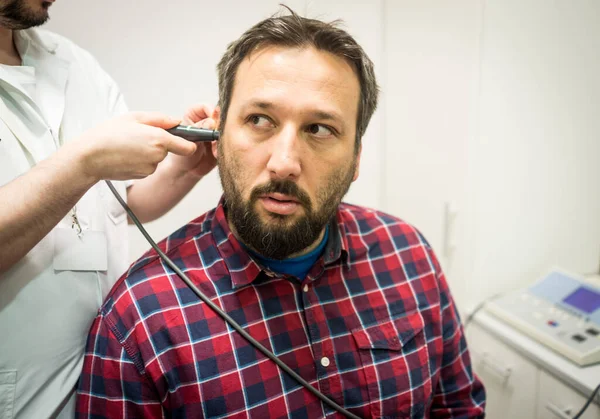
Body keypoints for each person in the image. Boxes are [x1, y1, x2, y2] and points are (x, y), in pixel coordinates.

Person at [76, 8, 486, 419]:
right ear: (216, 138)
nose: (284, 162)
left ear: (356, 157)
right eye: (259, 120)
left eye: (319, 129)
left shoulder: (408, 255)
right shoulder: (140, 317)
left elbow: (458, 408)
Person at [0, 0, 218, 417]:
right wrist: (86, 162)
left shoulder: (73, 62)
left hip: (107, 382)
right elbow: (89, 171)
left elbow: (121, 202)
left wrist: (184, 169)